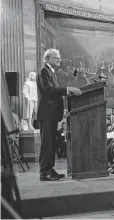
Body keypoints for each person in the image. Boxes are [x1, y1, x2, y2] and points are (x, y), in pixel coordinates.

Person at [37, 48, 82, 181]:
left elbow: (55, 91)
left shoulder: (51, 72)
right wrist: (68, 89)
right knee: (47, 143)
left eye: (59, 58)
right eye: (56, 58)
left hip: (51, 114)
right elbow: (49, 89)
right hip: (46, 114)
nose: (59, 60)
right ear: (47, 58)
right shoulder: (43, 71)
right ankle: (45, 172)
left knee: (51, 143)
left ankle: (49, 170)